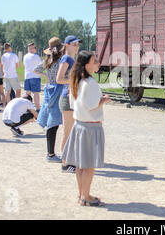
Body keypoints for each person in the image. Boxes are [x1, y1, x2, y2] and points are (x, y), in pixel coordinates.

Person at [61, 51, 110, 206]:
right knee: (88, 165)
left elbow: (74, 104)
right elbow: (92, 105)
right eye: (95, 61)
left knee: (80, 165)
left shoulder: (76, 81)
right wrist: (104, 100)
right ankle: (86, 196)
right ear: (87, 65)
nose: (98, 63)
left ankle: (82, 194)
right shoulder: (91, 83)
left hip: (79, 126)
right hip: (91, 127)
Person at [34, 37, 65, 163]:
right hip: (59, 90)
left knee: (52, 123)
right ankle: (51, 154)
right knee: (54, 123)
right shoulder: (61, 61)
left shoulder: (47, 61)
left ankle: (50, 152)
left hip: (49, 89)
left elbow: (35, 70)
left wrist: (46, 75)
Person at [57, 35, 81, 173]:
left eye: (78, 44)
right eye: (74, 44)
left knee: (71, 131)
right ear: (66, 45)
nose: (77, 46)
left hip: (71, 97)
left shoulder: (72, 59)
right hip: (66, 98)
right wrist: (74, 79)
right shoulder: (66, 58)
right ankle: (65, 163)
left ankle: (69, 160)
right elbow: (59, 79)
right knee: (67, 132)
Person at [23, 42, 42, 109]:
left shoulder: (25, 56)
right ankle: (38, 109)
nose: (35, 49)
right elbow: (40, 66)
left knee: (28, 94)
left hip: (27, 76)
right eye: (34, 47)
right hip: (35, 76)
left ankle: (28, 108)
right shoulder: (36, 56)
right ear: (32, 48)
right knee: (36, 93)